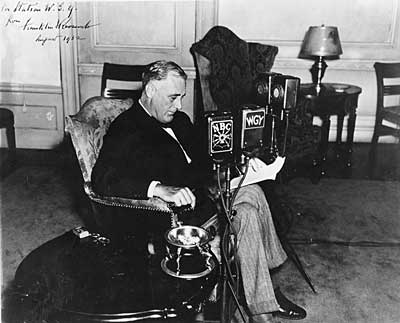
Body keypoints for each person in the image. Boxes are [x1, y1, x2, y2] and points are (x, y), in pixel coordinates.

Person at [92, 60, 306, 322]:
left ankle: (262, 292)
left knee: (255, 192)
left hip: (206, 200)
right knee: (247, 213)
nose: (179, 105)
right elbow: (102, 178)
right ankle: (261, 310)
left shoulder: (180, 120)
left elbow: (204, 160)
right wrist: (157, 188)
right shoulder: (127, 128)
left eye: (181, 97)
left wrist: (236, 166)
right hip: (178, 221)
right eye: (173, 97)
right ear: (149, 90)